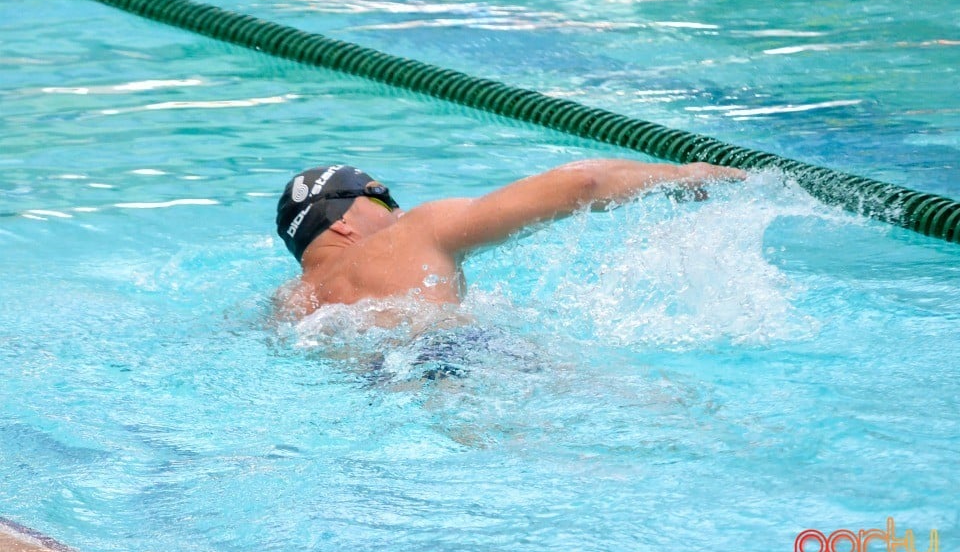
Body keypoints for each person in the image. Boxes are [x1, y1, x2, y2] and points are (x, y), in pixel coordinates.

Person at [275, 160, 746, 318]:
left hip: (383, 387)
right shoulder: (417, 230)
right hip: (459, 356)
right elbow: (580, 185)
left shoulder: (288, 306)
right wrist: (683, 176)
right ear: (341, 222)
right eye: (380, 196)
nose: (396, 208)